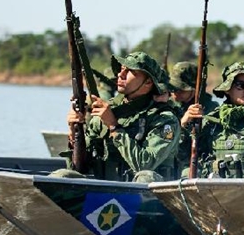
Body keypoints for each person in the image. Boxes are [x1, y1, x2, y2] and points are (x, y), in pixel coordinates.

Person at [57, 51, 181, 182]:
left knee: (145, 178)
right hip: (104, 190)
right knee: (61, 176)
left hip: (145, 198)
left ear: (148, 82)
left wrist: (114, 127)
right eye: (122, 70)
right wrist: (73, 133)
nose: (120, 75)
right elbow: (78, 168)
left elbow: (145, 164)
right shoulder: (106, 111)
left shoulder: (164, 119)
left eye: (129, 72)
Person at [166, 61, 220, 174]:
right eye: (172, 88)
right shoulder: (168, 105)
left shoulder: (211, 109)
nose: (175, 93)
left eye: (180, 89)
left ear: (195, 89)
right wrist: (181, 125)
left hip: (196, 166)